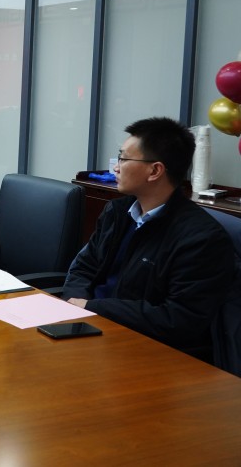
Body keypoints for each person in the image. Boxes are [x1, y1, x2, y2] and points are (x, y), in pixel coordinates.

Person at [62, 117, 235, 360]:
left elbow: (179, 319)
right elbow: (84, 266)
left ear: (155, 171)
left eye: (124, 159)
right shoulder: (117, 212)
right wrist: (74, 304)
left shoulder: (201, 239)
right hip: (90, 327)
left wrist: (92, 308)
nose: (116, 168)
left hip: (143, 349)